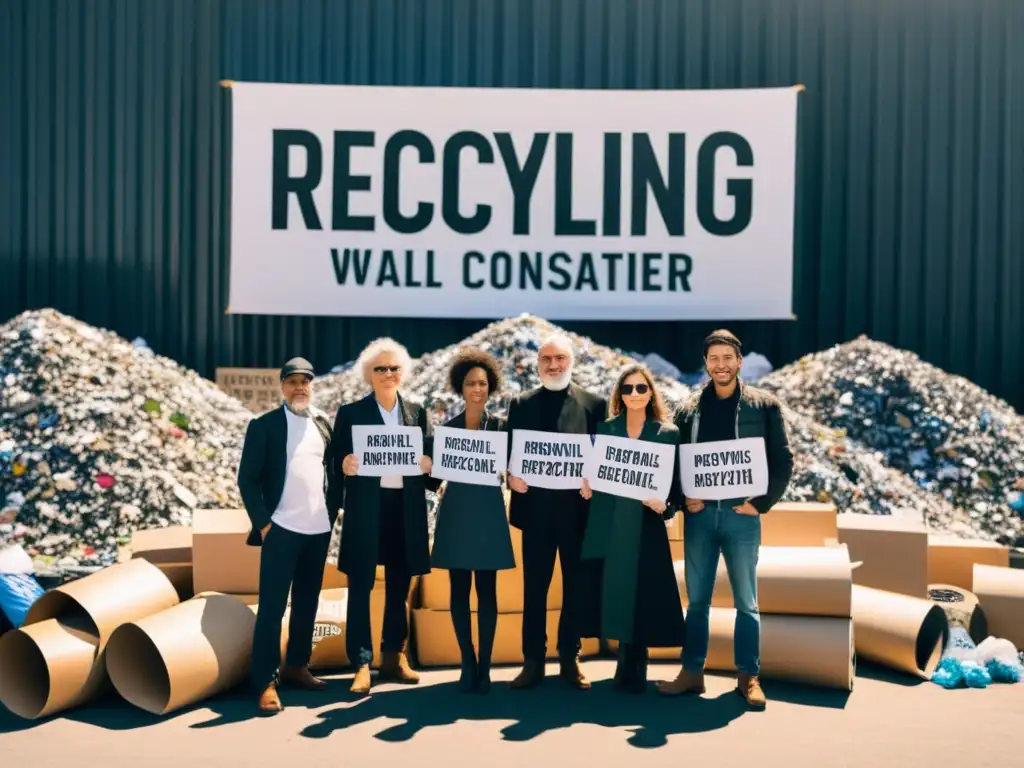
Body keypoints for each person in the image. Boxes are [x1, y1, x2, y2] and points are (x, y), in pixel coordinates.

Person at [656, 329, 794, 708]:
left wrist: (761, 504)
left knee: (746, 602)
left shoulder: (764, 407)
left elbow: (783, 460)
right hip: (700, 519)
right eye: (713, 358)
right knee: (697, 600)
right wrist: (684, 498)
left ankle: (748, 677)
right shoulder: (687, 410)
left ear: (738, 361)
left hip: (741, 517)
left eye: (727, 358)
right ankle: (691, 673)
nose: (721, 365)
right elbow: (674, 463)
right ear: (706, 363)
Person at [328, 338, 433, 696]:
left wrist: (429, 465)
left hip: (404, 510)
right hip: (366, 510)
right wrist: (343, 464)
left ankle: (393, 657)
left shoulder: (417, 412)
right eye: (380, 369)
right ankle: (361, 662)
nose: (388, 374)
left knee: (400, 588)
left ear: (403, 373)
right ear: (368, 375)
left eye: (394, 368)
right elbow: (333, 459)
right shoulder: (352, 413)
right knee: (360, 586)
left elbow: (432, 469)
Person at [505, 334, 607, 690]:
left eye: (560, 358)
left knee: (575, 589)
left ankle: (570, 657)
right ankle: (532, 661)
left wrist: (595, 479)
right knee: (534, 589)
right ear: (537, 364)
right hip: (535, 515)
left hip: (579, 516)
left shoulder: (594, 405)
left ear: (571, 361)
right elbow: (509, 454)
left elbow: (602, 457)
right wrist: (510, 477)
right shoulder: (520, 403)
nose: (553, 365)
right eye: (546, 359)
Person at [236, 357, 337, 715]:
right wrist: (264, 524)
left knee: (307, 604)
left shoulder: (324, 424)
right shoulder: (264, 426)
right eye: (292, 381)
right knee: (273, 608)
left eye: (305, 382)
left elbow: (335, 472)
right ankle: (265, 681)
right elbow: (247, 479)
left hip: (317, 530)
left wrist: (333, 510)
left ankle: (297, 666)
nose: (299, 388)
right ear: (282, 386)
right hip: (281, 531)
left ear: (313, 386)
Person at [579, 364, 686, 694]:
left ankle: (639, 660)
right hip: (612, 523)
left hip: (648, 524)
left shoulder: (668, 433)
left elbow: (678, 487)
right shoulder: (606, 430)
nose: (635, 394)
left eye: (641, 388)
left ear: (651, 392)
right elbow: (596, 474)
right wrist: (588, 486)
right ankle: (624, 659)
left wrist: (665, 506)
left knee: (645, 591)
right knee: (617, 589)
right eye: (628, 389)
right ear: (619, 395)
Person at [424, 348, 516, 694]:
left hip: (489, 515)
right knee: (459, 592)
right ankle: (467, 662)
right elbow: (433, 484)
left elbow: (517, 470)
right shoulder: (446, 431)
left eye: (482, 383)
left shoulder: (503, 429)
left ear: (490, 386)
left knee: (488, 593)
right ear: (459, 388)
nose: (477, 388)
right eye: (470, 383)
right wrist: (427, 469)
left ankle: (485, 667)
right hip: (457, 515)